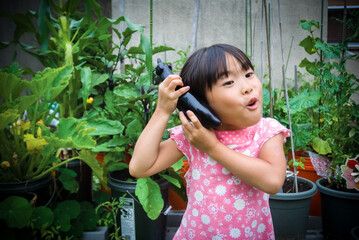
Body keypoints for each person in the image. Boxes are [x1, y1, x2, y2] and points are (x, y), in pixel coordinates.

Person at [129, 44, 290, 239]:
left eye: (248, 74)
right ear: (199, 103)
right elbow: (140, 167)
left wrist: (213, 148)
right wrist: (162, 110)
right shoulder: (195, 134)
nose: (248, 87)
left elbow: (273, 181)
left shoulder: (266, 131)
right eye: (229, 82)